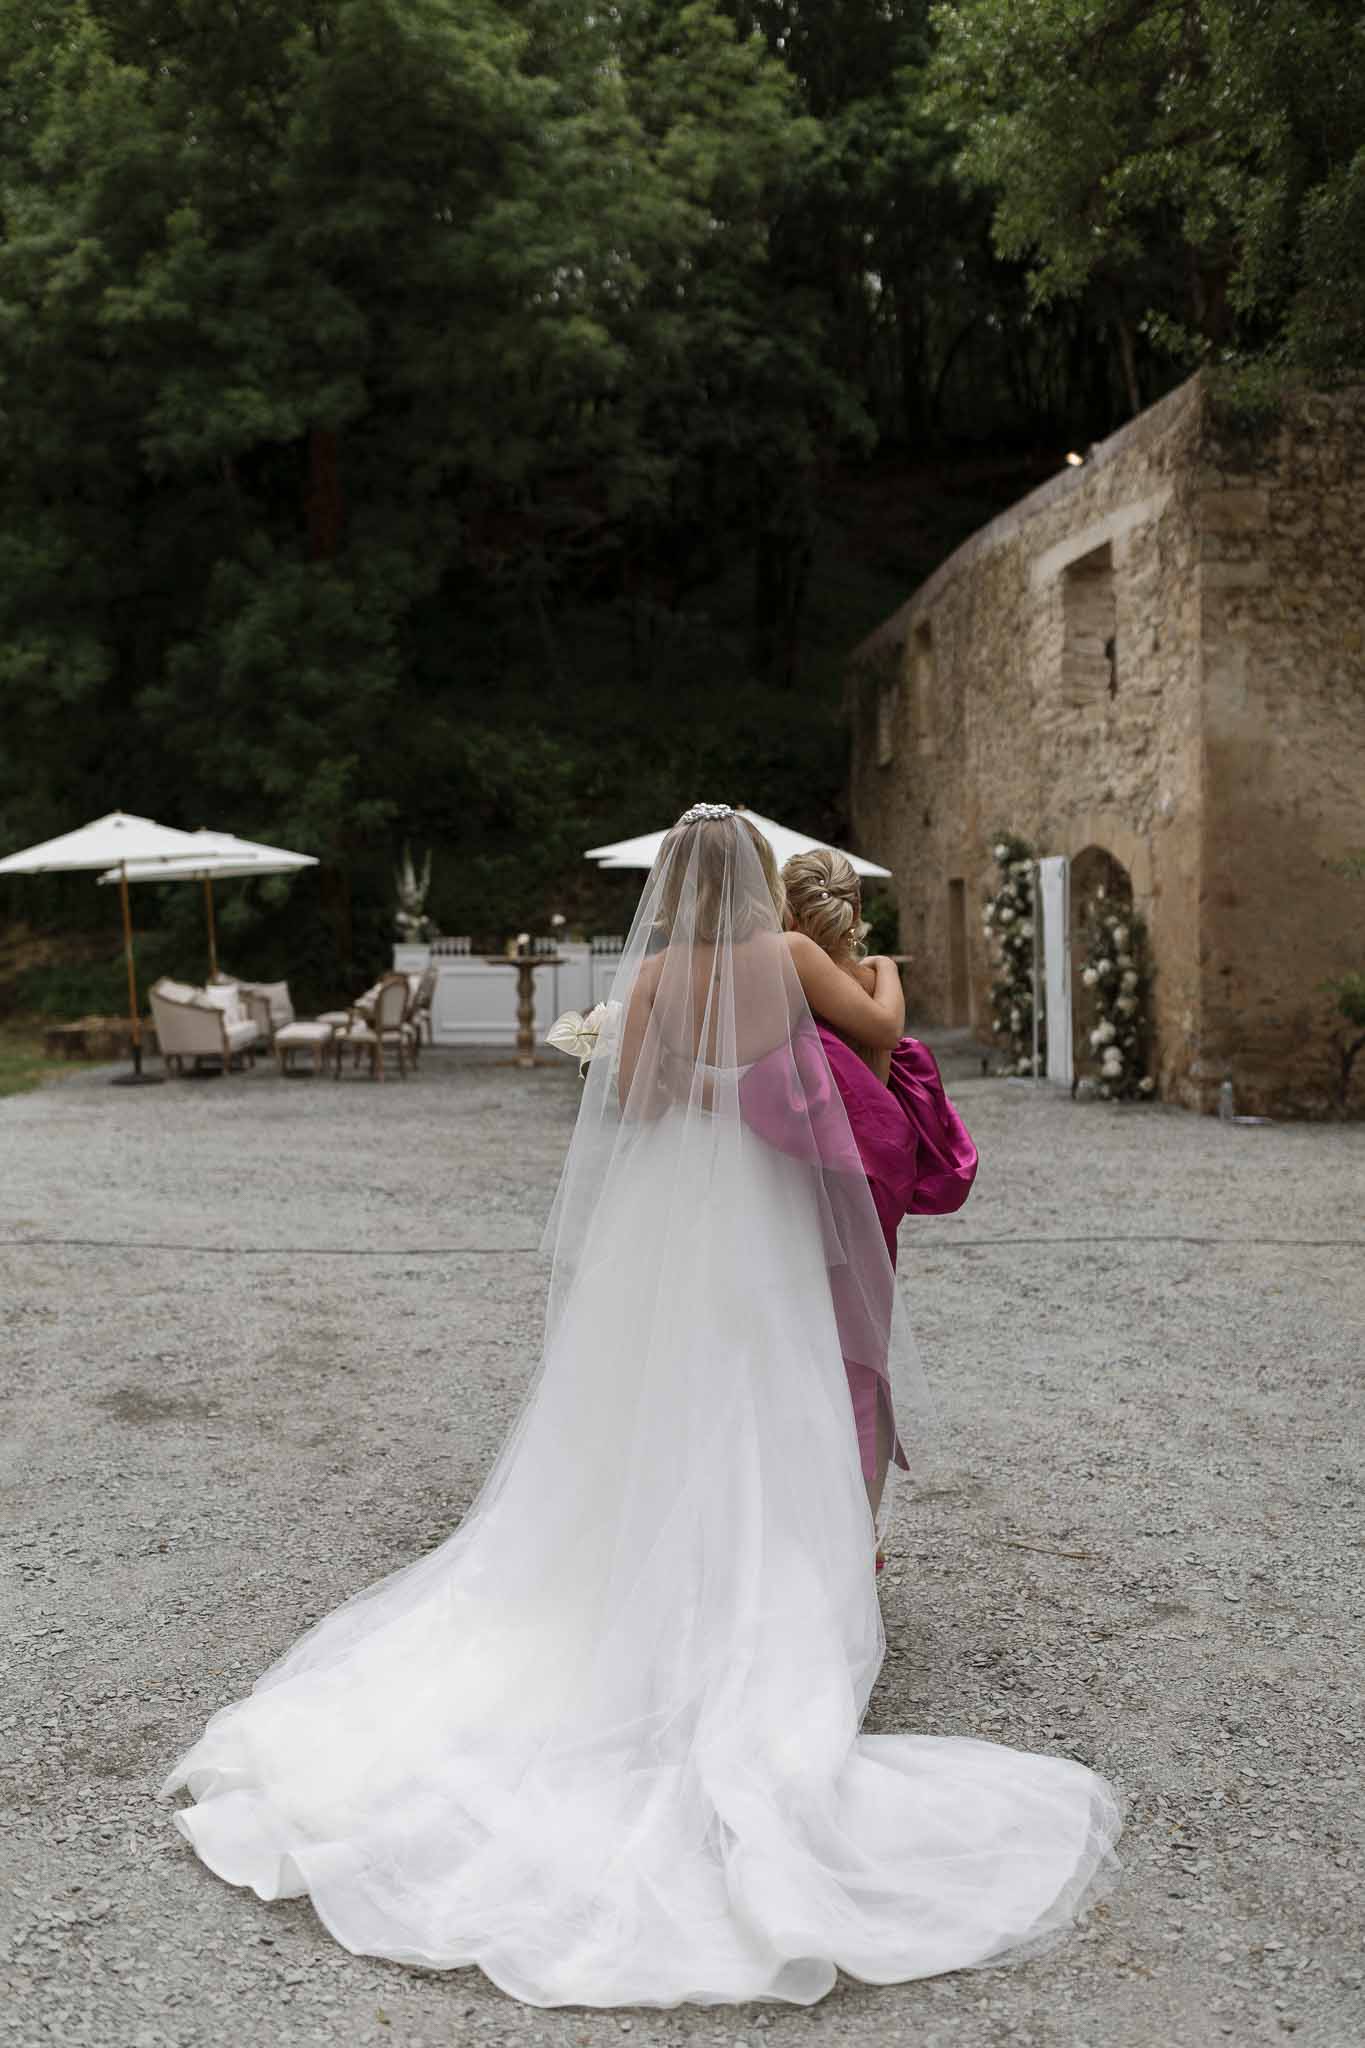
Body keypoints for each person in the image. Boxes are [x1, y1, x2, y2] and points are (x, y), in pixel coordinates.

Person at [161, 804, 1121, 2010]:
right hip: (762, 1195)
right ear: (757, 881)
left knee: (652, 1392)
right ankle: (776, 1586)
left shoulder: (660, 970)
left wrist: (671, 1058)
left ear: (669, 887)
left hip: (674, 1201)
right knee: (778, 1386)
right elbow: (878, 1027)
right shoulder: (786, 956)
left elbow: (647, 1093)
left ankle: (637, 1585)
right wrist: (879, 964)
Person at [780, 847, 979, 1526]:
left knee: (807, 1332)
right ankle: (858, 1526)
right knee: (861, 1340)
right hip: (878, 1169)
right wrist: (887, 966)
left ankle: (821, 1517)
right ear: (855, 907)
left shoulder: (788, 959)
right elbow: (887, 1034)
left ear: (789, 904)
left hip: (820, 1166)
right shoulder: (869, 974)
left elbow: (882, 1035)